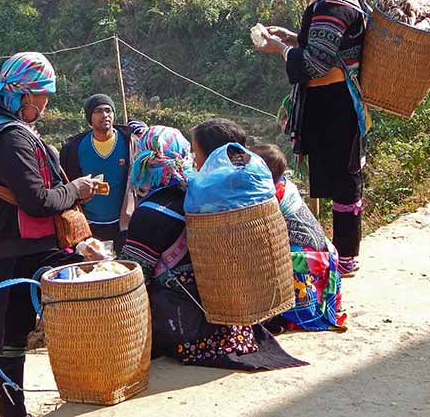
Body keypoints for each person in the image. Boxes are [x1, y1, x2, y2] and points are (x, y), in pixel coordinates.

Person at [0, 52, 101, 417]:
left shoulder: (10, 131)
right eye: (41, 95)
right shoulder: (10, 139)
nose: (45, 104)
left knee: (87, 287)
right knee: (10, 342)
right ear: (23, 95)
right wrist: (76, 190)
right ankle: (14, 413)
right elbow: (37, 201)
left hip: (35, 244)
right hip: (12, 250)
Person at [121, 126, 306, 371]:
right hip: (233, 320)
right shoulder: (205, 195)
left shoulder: (152, 212)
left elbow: (133, 277)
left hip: (187, 328)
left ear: (143, 162)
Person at [255, 0, 370, 275]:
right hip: (330, 101)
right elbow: (326, 47)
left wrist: (280, 48)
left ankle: (346, 257)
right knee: (340, 177)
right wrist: (290, 37)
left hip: (334, 101)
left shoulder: (330, 2)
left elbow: (314, 63)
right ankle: (343, 253)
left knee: (343, 180)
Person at [249, 143, 346, 333]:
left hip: (306, 255)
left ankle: (280, 312)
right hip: (317, 247)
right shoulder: (282, 184)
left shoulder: (271, 196)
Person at [60, 94, 144, 251]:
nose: (105, 115)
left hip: (123, 224)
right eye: (98, 111)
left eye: (108, 110)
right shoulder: (74, 148)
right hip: (89, 226)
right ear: (89, 117)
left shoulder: (129, 142)